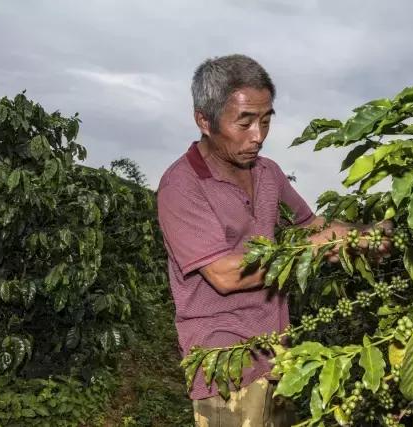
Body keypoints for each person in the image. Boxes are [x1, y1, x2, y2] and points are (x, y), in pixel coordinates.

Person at [156, 54, 392, 427]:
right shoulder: (181, 187)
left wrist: (363, 234)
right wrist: (312, 249)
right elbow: (225, 275)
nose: (258, 136)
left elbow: (311, 225)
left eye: (266, 121)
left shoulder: (268, 172)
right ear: (204, 120)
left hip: (278, 350)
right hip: (226, 360)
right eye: (245, 122)